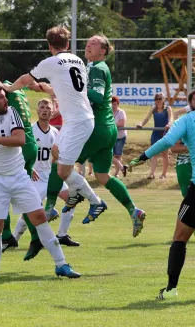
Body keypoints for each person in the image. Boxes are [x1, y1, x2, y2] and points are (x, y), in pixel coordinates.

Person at [0, 83, 80, 279]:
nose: (5, 100)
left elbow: (20, 139)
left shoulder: (11, 112)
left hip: (18, 176)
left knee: (39, 217)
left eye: (5, 96)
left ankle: (62, 265)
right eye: (0, 98)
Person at [129, 79, 195, 299]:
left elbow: (167, 142)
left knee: (180, 236)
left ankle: (171, 289)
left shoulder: (188, 119)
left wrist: (143, 157)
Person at [44, 34, 146, 237]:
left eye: (94, 43)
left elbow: (97, 96)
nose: (88, 44)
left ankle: (50, 207)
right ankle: (134, 210)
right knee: (102, 176)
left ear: (103, 51)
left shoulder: (97, 67)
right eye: (87, 41)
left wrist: (73, 91)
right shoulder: (91, 67)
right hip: (107, 130)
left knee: (58, 160)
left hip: (95, 128)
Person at [4, 26, 108, 225]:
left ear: (50, 46)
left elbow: (25, 79)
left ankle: (95, 201)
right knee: (55, 151)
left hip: (78, 122)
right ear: (67, 44)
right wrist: (45, 88)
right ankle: (76, 193)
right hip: (78, 119)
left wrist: (8, 87)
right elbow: (71, 89)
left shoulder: (50, 62)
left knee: (62, 171)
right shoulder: (77, 60)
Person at [0, 70, 41, 260]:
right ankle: (7, 236)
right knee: (6, 193)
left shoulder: (2, 94)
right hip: (29, 143)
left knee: (12, 196)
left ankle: (36, 238)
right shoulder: (15, 88)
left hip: (17, 145)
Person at [13, 98, 80, 248]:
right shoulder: (30, 131)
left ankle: (62, 234)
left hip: (51, 175)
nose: (44, 110)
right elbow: (20, 154)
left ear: (53, 111)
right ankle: (14, 238)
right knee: (31, 210)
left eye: (47, 108)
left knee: (72, 199)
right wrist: (29, 168)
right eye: (42, 107)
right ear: (37, 111)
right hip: (35, 176)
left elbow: (59, 155)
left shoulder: (56, 132)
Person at [169, 90, 195, 241]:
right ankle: (191, 226)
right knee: (187, 195)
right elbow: (173, 148)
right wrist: (191, 148)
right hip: (184, 164)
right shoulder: (184, 122)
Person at [136, 92, 173, 179]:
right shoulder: (153, 108)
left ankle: (163, 174)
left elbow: (171, 119)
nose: (158, 101)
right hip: (155, 133)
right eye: (156, 99)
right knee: (154, 154)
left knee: (164, 154)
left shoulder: (168, 108)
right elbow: (146, 118)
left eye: (160, 98)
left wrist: (169, 124)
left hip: (164, 133)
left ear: (163, 99)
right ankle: (152, 173)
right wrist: (141, 124)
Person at [112, 96, 128, 177]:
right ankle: (122, 168)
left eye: (115, 104)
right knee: (110, 155)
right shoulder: (109, 112)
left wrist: (111, 124)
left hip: (120, 136)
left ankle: (116, 173)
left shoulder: (121, 112)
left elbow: (122, 123)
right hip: (111, 136)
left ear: (118, 104)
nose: (113, 106)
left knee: (118, 155)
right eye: (112, 104)